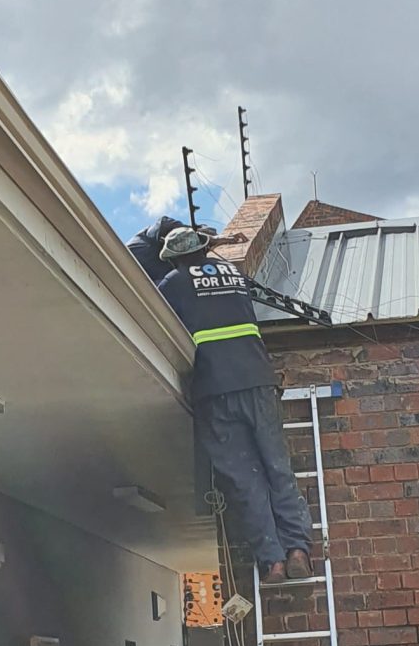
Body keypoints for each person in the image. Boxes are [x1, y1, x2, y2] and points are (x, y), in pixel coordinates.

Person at [128, 216, 315, 587]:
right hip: (259, 383)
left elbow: (152, 302)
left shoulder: (174, 282)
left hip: (215, 391)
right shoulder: (232, 274)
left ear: (174, 259)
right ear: (202, 250)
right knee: (278, 469)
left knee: (246, 480)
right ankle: (298, 551)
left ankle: (273, 563)